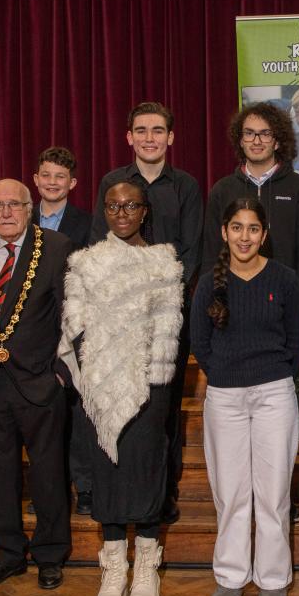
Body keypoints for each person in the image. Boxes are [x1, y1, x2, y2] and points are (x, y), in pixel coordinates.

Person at [59, 180, 183, 596]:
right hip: (99, 387)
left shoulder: (164, 263)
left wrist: (153, 387)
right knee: (107, 471)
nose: (122, 212)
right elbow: (74, 329)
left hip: (151, 386)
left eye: (131, 205)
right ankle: (113, 566)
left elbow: (169, 333)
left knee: (147, 468)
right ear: (104, 210)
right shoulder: (86, 264)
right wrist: (95, 380)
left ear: (144, 211)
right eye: (113, 205)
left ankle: (146, 565)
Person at [192, 198, 299, 596]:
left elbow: (297, 340)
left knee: (273, 493)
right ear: (224, 232)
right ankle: (230, 575)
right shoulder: (210, 282)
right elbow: (200, 343)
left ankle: (273, 579)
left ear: (265, 234)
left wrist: (276, 375)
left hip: (275, 394)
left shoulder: (286, 279)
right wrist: (224, 373)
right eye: (237, 228)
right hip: (225, 397)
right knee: (231, 492)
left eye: (253, 229)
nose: (245, 236)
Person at [91, 102, 202, 524]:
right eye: (142, 130)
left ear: (171, 138)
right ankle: (121, 492)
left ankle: (163, 494)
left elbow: (193, 249)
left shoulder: (186, 186)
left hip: (168, 316)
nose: (150, 138)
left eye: (158, 130)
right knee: (121, 402)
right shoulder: (113, 183)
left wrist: (161, 295)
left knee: (164, 410)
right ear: (129, 137)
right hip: (120, 319)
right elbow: (99, 246)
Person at [0, 179, 73, 590]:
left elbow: (71, 314)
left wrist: (61, 372)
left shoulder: (57, 247)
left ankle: (50, 554)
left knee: (47, 472)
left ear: (31, 208)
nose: (7, 212)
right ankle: (7, 554)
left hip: (41, 380)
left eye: (15, 204)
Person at [202, 102, 299, 315]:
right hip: (232, 304)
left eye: (265, 134)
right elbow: (211, 252)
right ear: (240, 140)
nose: (256, 141)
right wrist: (211, 303)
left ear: (277, 141)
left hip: (285, 305)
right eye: (249, 133)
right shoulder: (222, 189)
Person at [31, 145, 94, 516]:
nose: (52, 182)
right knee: (40, 413)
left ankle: (84, 486)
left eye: (60, 177)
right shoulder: (21, 219)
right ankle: (46, 489)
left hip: (76, 327)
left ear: (72, 183)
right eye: (46, 175)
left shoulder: (87, 223)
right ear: (36, 180)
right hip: (31, 331)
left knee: (79, 411)